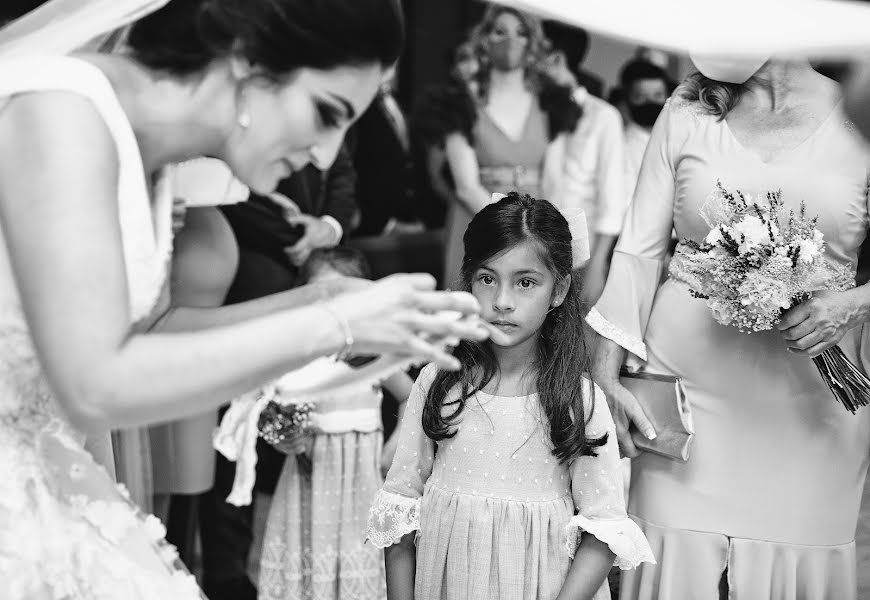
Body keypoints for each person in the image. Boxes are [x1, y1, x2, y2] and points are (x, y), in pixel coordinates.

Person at [0, 0, 490, 597]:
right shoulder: (61, 112)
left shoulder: (144, 151)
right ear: (249, 58)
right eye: (325, 113)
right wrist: (333, 324)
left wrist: (321, 299)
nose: (327, 154)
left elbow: (151, 335)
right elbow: (93, 385)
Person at [587, 57, 870, 599]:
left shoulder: (860, 113)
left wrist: (850, 306)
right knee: (671, 561)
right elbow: (638, 253)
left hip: (810, 403)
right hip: (685, 400)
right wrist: (605, 377)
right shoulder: (688, 108)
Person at [367, 192, 654, 600]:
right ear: (469, 280)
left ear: (558, 290)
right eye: (488, 279)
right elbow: (399, 511)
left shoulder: (578, 400)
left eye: (525, 282)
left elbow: (603, 530)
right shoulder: (438, 381)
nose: (502, 301)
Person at [259, 246, 413, 600]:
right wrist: (282, 437)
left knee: (357, 550)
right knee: (309, 551)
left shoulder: (370, 353)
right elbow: (267, 410)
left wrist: (394, 447)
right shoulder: (296, 356)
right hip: (309, 479)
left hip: (361, 477)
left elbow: (410, 396)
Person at [431, 5, 582, 289]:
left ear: (533, 42)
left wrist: (540, 233)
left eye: (520, 33)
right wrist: (508, 231)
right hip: (476, 217)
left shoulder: (553, 102)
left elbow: (553, 178)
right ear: (484, 39)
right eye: (500, 32)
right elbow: (466, 186)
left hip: (536, 220)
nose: (510, 41)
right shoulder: (460, 102)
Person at [618, 59, 672, 199]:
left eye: (658, 95)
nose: (650, 102)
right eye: (641, 97)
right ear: (627, 100)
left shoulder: (676, 140)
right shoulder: (622, 146)